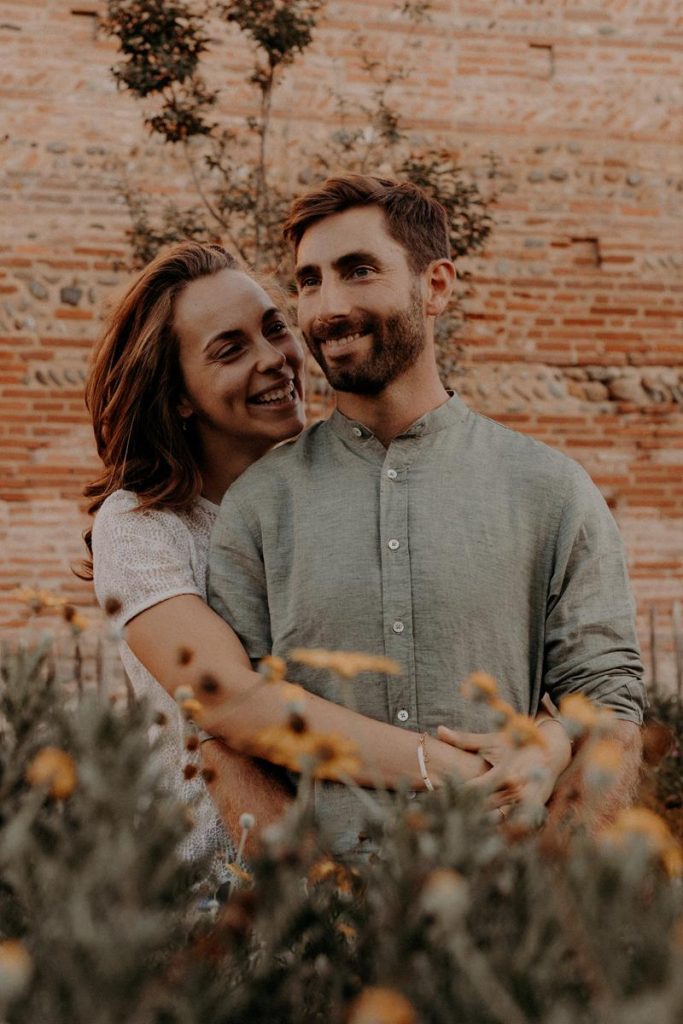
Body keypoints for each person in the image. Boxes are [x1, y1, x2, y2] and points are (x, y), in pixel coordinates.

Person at [83, 241, 562, 870]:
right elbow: (230, 700)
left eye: (274, 328)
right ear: (178, 396)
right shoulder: (144, 524)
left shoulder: (347, 487)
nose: (275, 360)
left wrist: (544, 748)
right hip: (217, 885)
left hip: (379, 864)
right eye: (229, 350)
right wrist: (442, 765)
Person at [207, 175, 645, 858]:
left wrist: (552, 908)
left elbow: (610, 714)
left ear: (435, 286)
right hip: (328, 937)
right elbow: (230, 736)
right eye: (310, 281)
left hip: (501, 920)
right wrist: (303, 913)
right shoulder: (259, 506)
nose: (327, 307)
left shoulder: (551, 490)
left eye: (357, 271)